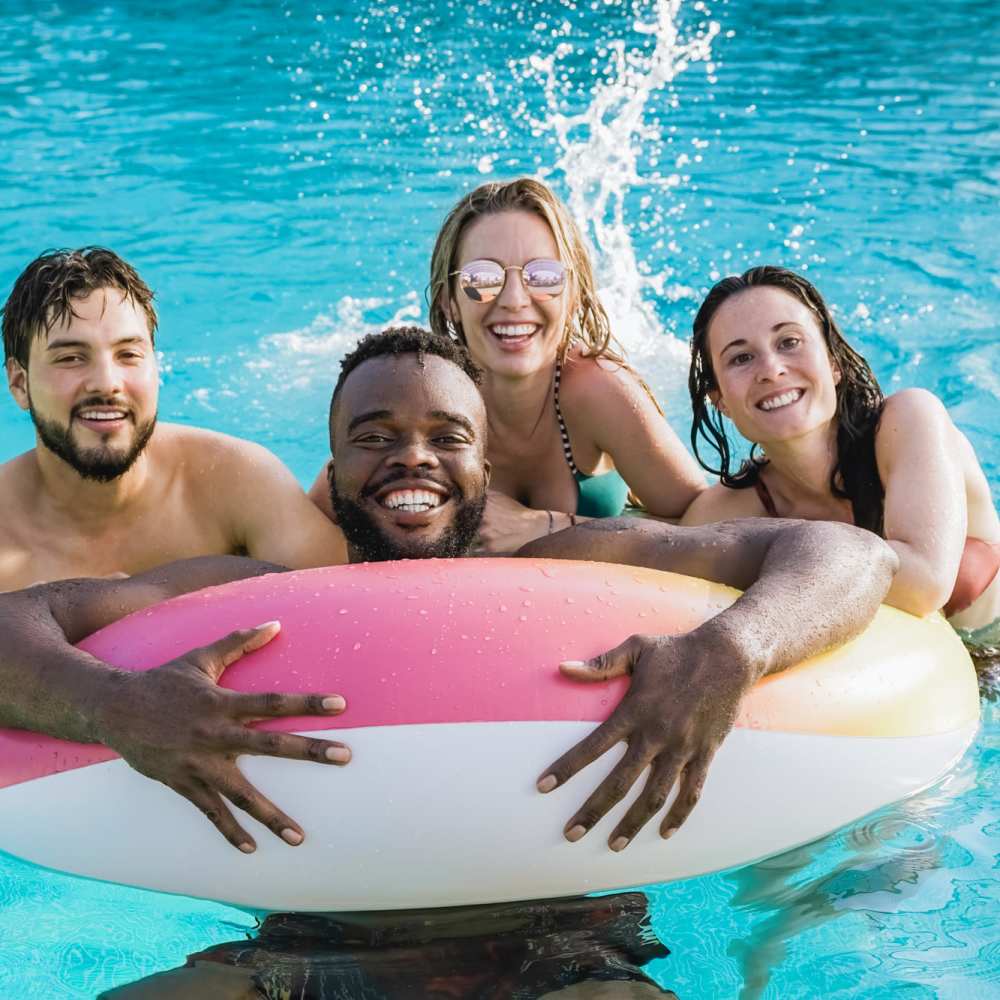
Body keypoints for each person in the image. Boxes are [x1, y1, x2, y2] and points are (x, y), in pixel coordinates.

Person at [0, 326, 896, 855]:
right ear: (335, 468)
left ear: (485, 462)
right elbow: (16, 619)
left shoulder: (574, 568)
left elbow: (842, 553)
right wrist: (117, 705)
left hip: (568, 934)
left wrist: (730, 650)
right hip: (308, 935)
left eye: (445, 435)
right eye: (375, 435)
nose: (412, 456)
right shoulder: (260, 599)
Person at [308, 177, 706, 550]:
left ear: (574, 294)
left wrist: (544, 527)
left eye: (544, 276)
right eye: (482, 278)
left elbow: (706, 524)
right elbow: (320, 518)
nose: (514, 299)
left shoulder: (597, 390)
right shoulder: (426, 392)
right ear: (449, 299)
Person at [681, 265, 1000, 658]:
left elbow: (924, 584)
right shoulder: (723, 513)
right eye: (741, 358)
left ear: (834, 362)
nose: (771, 369)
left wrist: (766, 551)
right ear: (722, 402)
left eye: (789, 341)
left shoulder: (909, 423)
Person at [0, 247, 346, 590]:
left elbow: (349, 603)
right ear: (19, 383)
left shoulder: (235, 480)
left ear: (156, 369)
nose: (107, 383)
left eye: (128, 355)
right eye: (71, 358)